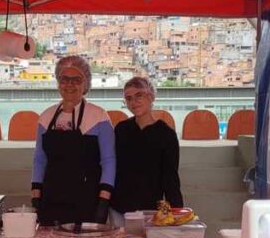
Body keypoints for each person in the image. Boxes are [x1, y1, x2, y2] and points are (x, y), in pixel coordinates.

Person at [31, 55, 116, 225]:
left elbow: (109, 161)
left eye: (77, 80)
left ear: (86, 84)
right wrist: (36, 193)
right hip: (51, 198)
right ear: (58, 82)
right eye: (64, 79)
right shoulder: (46, 117)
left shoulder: (99, 116)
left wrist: (104, 200)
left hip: (87, 199)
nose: (70, 84)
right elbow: (39, 160)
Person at [110, 76, 183, 224]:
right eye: (128, 98)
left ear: (151, 96)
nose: (134, 101)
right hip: (118, 208)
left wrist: (176, 214)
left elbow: (170, 179)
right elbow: (111, 166)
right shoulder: (121, 129)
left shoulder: (166, 134)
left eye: (139, 95)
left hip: (151, 211)